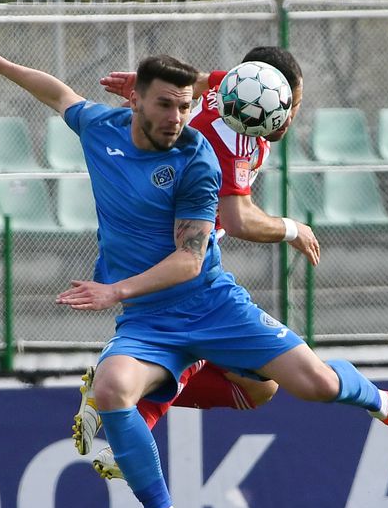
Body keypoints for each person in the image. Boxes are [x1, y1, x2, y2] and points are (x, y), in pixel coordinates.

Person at [0, 21, 388, 508]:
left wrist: (113, 289)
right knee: (114, 388)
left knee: (308, 386)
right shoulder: (102, 128)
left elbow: (189, 261)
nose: (177, 119)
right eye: (165, 105)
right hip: (148, 316)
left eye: (184, 107)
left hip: (209, 300)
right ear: (136, 100)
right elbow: (59, 92)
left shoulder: (197, 160)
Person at [73, 47, 315, 481]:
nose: (291, 115)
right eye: (291, 105)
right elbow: (239, 220)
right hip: (174, 262)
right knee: (192, 342)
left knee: (261, 389)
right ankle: (129, 415)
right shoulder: (225, 140)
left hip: (190, 254)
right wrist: (292, 229)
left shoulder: (238, 91)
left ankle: (119, 394)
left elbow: (207, 79)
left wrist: (152, 86)